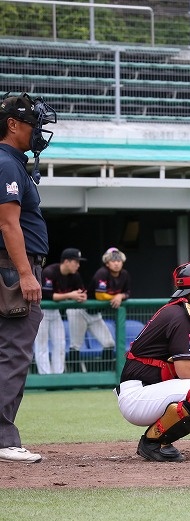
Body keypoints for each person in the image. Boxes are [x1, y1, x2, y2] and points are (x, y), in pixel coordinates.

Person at [115, 258, 190, 462]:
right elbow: (184, 370)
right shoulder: (181, 315)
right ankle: (152, 443)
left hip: (147, 391)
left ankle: (157, 442)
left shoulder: (183, 310)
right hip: (137, 395)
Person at [0, 92, 56, 463]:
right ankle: (3, 438)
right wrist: (25, 273)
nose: (38, 131)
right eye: (34, 124)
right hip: (12, 269)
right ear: (12, 124)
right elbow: (8, 222)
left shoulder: (11, 162)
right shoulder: (6, 162)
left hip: (9, 267)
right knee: (13, 353)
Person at [34, 247, 89, 374]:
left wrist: (82, 296)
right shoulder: (49, 272)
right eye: (76, 262)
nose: (78, 265)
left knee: (60, 343)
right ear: (66, 261)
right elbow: (47, 295)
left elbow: (81, 291)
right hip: (41, 311)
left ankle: (57, 374)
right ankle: (45, 376)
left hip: (55, 312)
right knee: (41, 345)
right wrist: (70, 295)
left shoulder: (75, 275)